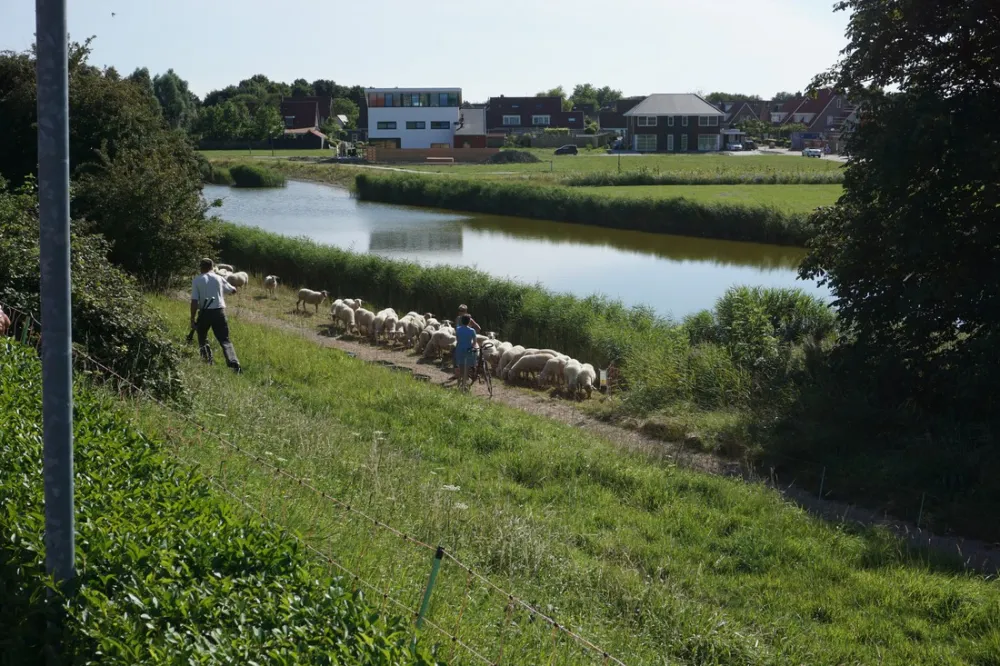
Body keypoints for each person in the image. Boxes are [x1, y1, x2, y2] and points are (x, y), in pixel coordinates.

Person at [190, 258, 242, 373]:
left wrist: (192, 319)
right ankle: (234, 363)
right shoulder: (219, 278)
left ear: (201, 267)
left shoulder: (197, 280)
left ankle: (207, 362)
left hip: (204, 313)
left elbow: (194, 302)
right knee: (224, 339)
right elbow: (233, 290)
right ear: (212, 267)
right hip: (219, 312)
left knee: (202, 337)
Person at [453, 314, 478, 392]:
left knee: (460, 367)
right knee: (466, 368)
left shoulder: (458, 329)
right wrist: (471, 346)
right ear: (469, 321)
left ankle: (458, 384)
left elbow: (457, 339)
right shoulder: (472, 330)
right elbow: (474, 342)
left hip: (459, 349)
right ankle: (464, 386)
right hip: (468, 350)